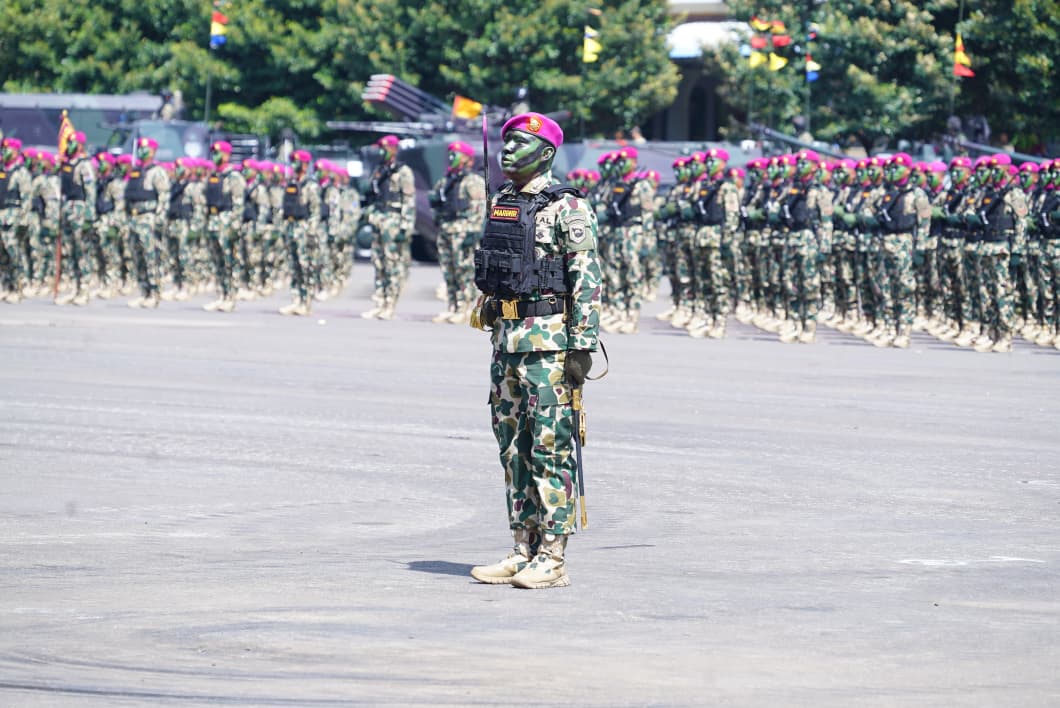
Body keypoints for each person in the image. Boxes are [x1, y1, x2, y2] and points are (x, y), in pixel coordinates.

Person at [469, 112, 602, 589]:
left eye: (518, 143)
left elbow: (587, 279)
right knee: (513, 448)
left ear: (545, 152)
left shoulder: (568, 207)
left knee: (549, 447)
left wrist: (582, 346)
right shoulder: (503, 203)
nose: (506, 151)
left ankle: (553, 556)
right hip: (506, 340)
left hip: (548, 344)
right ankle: (522, 546)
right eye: (504, 143)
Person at [429, 141, 487, 323]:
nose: (452, 157)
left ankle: (465, 307)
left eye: (457, 154)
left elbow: (479, 209)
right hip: (446, 230)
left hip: (463, 232)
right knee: (449, 271)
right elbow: (437, 204)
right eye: (451, 154)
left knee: (464, 271)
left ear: (467, 159)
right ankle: (453, 306)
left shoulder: (473, 181)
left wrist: (473, 232)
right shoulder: (445, 181)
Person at [361, 135, 415, 320]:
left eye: (384, 148)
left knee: (392, 265)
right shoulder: (379, 171)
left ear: (393, 149)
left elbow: (408, 201)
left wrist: (405, 228)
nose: (381, 151)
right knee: (379, 263)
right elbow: (372, 196)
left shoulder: (403, 172)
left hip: (393, 221)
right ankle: (379, 302)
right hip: (378, 220)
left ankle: (390, 304)